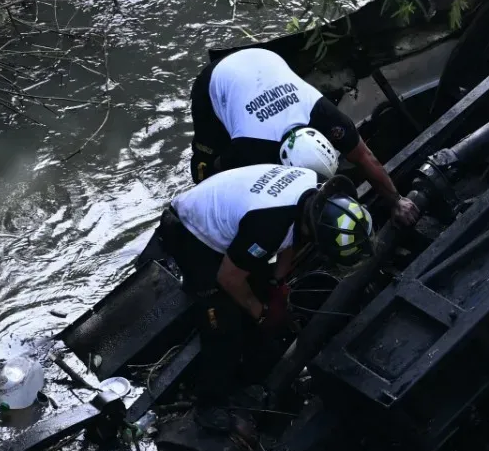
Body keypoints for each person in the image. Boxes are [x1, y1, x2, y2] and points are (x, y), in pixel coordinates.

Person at [157, 163, 375, 392]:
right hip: (188, 232)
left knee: (256, 290)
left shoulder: (315, 188)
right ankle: (211, 403)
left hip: (232, 216)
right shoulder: (268, 226)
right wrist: (260, 314)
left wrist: (277, 283)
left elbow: (293, 236)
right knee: (222, 327)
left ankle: (255, 352)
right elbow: (229, 278)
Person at [190, 46, 418, 224]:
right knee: (207, 165)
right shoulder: (251, 149)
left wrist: (396, 200)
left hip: (263, 60)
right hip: (216, 80)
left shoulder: (324, 114)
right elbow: (232, 184)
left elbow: (364, 157)